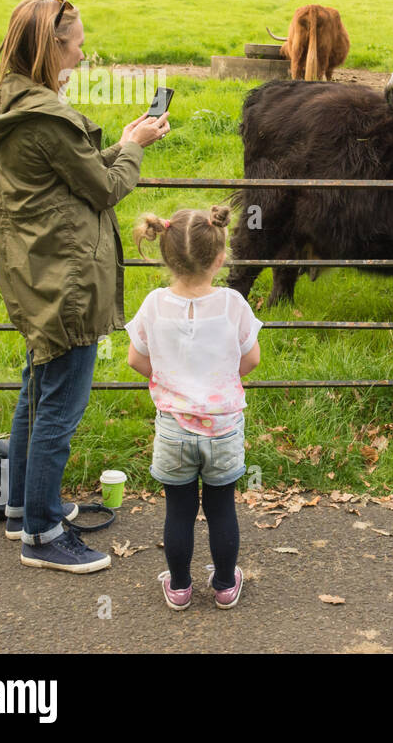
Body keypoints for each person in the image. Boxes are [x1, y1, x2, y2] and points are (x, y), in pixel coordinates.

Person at [0, 0, 168, 572]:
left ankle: (20, 508)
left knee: (36, 390)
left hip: (34, 270)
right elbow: (106, 190)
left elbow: (78, 178)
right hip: (67, 278)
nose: (83, 54)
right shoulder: (48, 117)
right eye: (78, 43)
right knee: (60, 405)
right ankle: (42, 536)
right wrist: (136, 147)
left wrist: (123, 142)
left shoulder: (9, 104)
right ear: (50, 46)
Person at [124, 206, 262, 610]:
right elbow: (251, 359)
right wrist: (221, 375)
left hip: (174, 428)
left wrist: (166, 376)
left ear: (167, 256)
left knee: (179, 511)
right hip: (222, 427)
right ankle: (223, 585)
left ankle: (180, 587)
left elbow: (135, 359)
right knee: (221, 509)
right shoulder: (233, 304)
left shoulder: (153, 304)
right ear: (220, 258)